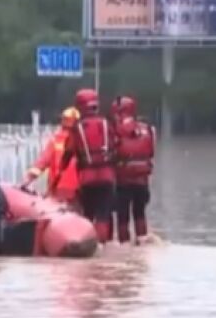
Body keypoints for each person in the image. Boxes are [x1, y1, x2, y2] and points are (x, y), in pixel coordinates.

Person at [59, 88, 116, 243]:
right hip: (107, 177)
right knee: (104, 214)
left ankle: (89, 246)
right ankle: (104, 246)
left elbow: (68, 152)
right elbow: (116, 147)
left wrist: (60, 171)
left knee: (88, 214)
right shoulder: (107, 124)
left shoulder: (77, 129)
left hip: (87, 178)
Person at [112, 95, 156, 244]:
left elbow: (111, 154)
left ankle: (124, 245)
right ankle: (142, 241)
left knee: (122, 216)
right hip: (142, 181)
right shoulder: (147, 129)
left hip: (122, 181)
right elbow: (151, 152)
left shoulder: (115, 130)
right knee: (140, 213)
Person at [21, 107, 81, 206]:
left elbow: (41, 163)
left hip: (57, 191)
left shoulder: (55, 140)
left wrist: (26, 181)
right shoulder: (83, 141)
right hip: (78, 193)